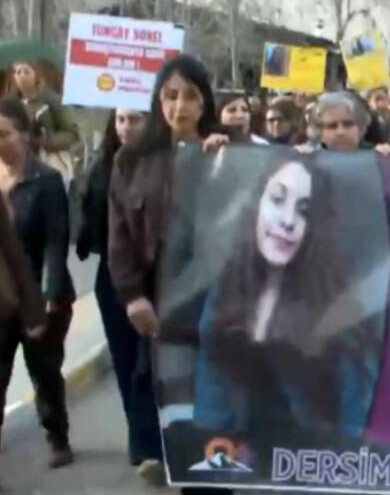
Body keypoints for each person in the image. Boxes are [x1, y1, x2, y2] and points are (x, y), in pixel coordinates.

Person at [194, 155, 381, 474]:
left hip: (312, 467)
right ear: (257, 204)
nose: (288, 220)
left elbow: (354, 417)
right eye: (277, 200)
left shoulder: (336, 303)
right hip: (241, 462)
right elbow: (211, 380)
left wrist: (347, 464)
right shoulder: (228, 289)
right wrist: (216, 454)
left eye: (304, 210)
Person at [107, 54, 230, 495]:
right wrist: (132, 296)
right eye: (170, 96)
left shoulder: (229, 151)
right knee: (177, 408)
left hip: (219, 307)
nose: (180, 107)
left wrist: (228, 161)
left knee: (216, 405)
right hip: (161, 308)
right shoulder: (132, 160)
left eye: (190, 96)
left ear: (205, 101)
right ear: (158, 100)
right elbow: (119, 234)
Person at [76, 108, 167, 483]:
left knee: (154, 363)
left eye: (136, 119)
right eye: (121, 120)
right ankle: (143, 443)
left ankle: (164, 441)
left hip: (156, 278)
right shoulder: (101, 168)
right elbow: (90, 227)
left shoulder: (164, 162)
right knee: (127, 359)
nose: (127, 127)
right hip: (113, 277)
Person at [0, 97, 74, 468]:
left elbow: (55, 242)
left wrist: (49, 292)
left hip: (37, 297)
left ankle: (57, 436)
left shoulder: (46, 180)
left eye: (5, 134)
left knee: (44, 371)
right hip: (2, 296)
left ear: (24, 136)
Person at [10, 61, 81, 177]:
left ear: (36, 76)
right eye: (18, 72)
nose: (22, 76)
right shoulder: (11, 104)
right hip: (20, 166)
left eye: (26, 72)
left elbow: (72, 134)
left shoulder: (51, 100)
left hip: (51, 163)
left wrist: (45, 141)